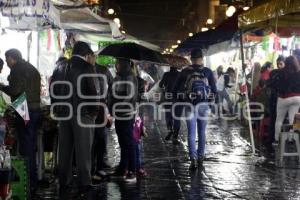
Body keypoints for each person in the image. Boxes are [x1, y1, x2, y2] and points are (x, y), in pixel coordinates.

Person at [51, 41, 100, 193]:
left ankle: (64, 181)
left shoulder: (59, 67)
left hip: (63, 113)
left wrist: (56, 108)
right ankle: (84, 182)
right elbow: (93, 91)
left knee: (64, 149)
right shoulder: (86, 67)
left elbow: (53, 89)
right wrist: (94, 112)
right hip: (82, 113)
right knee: (83, 149)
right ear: (86, 54)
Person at [0, 49, 41, 195]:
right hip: (35, 108)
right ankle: (32, 181)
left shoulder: (18, 69)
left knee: (26, 146)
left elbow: (15, 90)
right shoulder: (31, 67)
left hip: (24, 108)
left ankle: (28, 183)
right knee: (30, 144)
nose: (6, 63)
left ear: (12, 58)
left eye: (7, 59)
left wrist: (3, 87)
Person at [173, 49, 217, 170]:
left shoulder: (185, 71)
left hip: (189, 105)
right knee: (202, 132)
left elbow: (175, 89)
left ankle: (193, 158)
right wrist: (209, 102)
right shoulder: (208, 72)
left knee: (191, 133)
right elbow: (214, 90)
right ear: (202, 58)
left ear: (191, 59)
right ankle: (201, 156)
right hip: (203, 106)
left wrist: (182, 98)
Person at [109, 58, 138, 182]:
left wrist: (116, 106)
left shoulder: (130, 77)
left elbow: (129, 97)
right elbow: (112, 93)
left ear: (123, 64)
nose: (116, 65)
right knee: (122, 142)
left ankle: (132, 170)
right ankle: (123, 168)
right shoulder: (118, 77)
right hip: (118, 114)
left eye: (118, 63)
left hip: (126, 114)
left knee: (128, 142)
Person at [274, 56, 300, 144]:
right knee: (293, 120)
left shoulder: (282, 72)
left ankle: (276, 140)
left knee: (279, 120)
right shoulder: (299, 73)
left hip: (284, 98)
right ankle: (291, 139)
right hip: (297, 98)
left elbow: (278, 86)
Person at [266, 56, 285, 144]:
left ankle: (279, 138)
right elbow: (269, 84)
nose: (279, 66)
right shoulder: (275, 73)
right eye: (278, 64)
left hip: (281, 99)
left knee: (278, 119)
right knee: (275, 119)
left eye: (281, 63)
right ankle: (274, 138)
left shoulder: (286, 73)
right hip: (276, 99)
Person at [159, 67, 180, 142]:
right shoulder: (180, 74)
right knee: (177, 118)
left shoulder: (166, 74)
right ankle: (175, 136)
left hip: (168, 98)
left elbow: (160, 85)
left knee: (168, 115)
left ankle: (170, 130)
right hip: (178, 99)